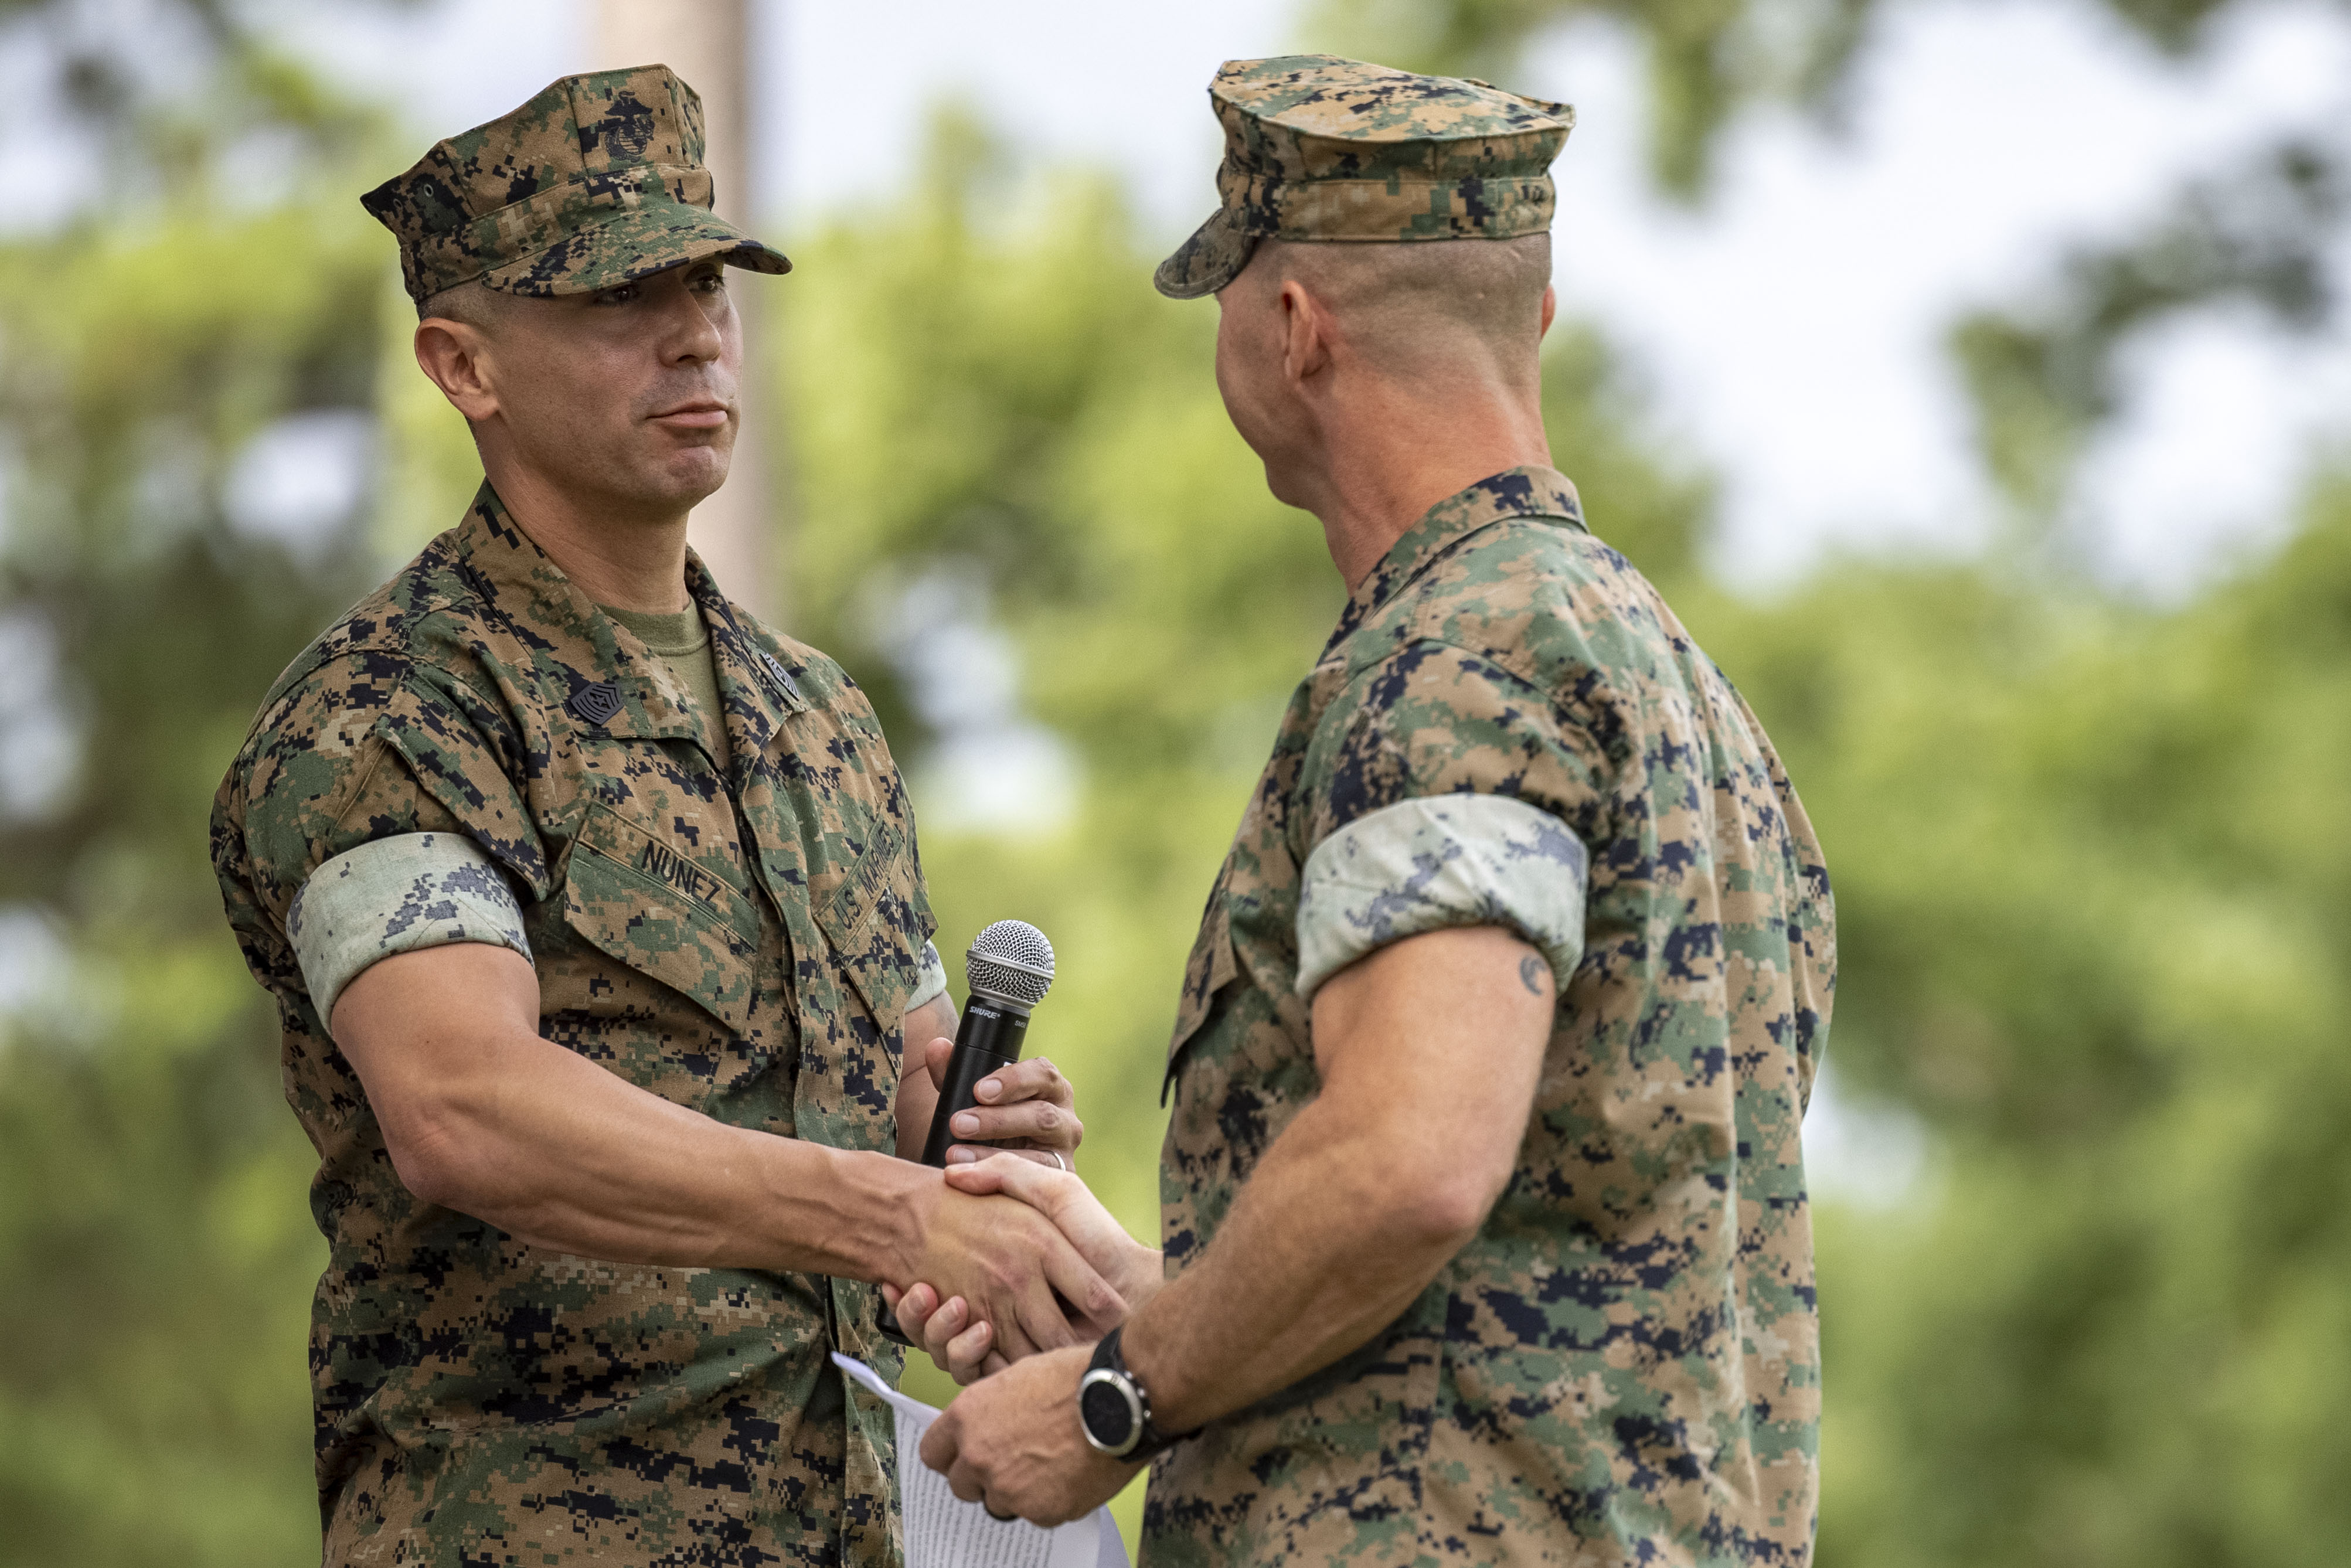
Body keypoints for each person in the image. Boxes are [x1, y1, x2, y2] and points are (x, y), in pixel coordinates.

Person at [893, 55, 1837, 1566]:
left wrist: (1109, 1405)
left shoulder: (1459, 656)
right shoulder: (1670, 683)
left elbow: (1410, 1158)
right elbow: (1540, 1271)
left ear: (1291, 329)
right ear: (1533, 316)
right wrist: (1145, 1306)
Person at [209, 66, 1115, 1566]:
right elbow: (463, 1108)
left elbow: (895, 1085)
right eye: (619, 296)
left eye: (705, 283)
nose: (694, 333)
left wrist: (967, 1158)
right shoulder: (393, 714)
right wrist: (892, 1217)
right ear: (463, 365)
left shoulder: (814, 714)